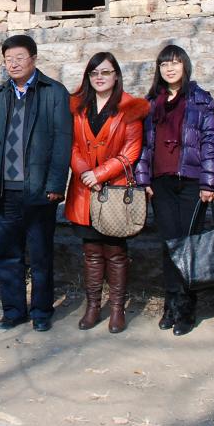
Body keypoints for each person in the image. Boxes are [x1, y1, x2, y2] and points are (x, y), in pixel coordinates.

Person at [0, 34, 71, 332]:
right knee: (7, 254)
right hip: (6, 190)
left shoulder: (53, 92)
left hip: (39, 189)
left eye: (20, 58)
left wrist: (56, 184)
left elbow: (62, 141)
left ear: (33, 58)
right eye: (8, 59)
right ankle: (13, 311)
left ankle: (41, 311)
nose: (14, 64)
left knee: (40, 254)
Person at [133, 44, 214, 337]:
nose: (169, 69)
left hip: (191, 183)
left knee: (188, 246)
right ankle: (170, 304)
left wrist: (209, 182)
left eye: (175, 63)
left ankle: (186, 308)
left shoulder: (200, 100)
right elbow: (143, 146)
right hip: (161, 183)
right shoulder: (150, 104)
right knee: (169, 245)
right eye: (164, 64)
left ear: (185, 66)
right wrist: (144, 179)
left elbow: (211, 142)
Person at [65, 52, 150, 334]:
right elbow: (72, 146)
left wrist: (100, 174)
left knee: (115, 252)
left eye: (105, 72)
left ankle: (116, 309)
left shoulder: (130, 108)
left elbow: (131, 151)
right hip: (84, 188)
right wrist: (85, 174)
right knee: (90, 251)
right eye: (94, 73)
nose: (99, 77)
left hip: (114, 188)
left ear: (116, 75)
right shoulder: (78, 107)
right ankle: (92, 306)